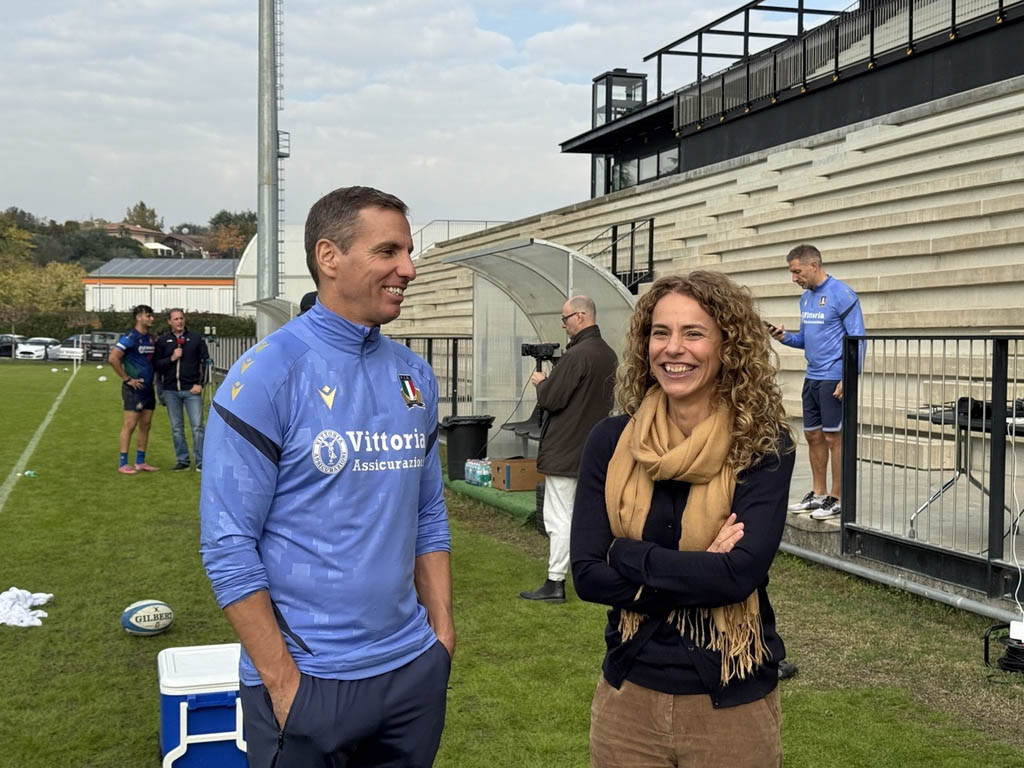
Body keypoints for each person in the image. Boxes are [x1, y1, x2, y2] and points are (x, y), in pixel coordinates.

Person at [200, 186, 453, 768]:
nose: (407, 269)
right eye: (388, 251)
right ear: (329, 257)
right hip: (310, 678)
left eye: (408, 252)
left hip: (412, 669)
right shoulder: (265, 375)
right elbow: (227, 543)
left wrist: (441, 638)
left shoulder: (415, 376)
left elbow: (428, 515)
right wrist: (284, 685)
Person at [571, 271, 795, 767]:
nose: (674, 349)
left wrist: (625, 555)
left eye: (693, 333)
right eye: (660, 332)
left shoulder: (761, 445)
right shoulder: (611, 441)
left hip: (732, 701)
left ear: (727, 346)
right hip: (629, 696)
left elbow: (738, 575)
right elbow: (587, 576)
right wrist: (699, 570)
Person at [519, 295, 618, 604]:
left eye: (565, 319)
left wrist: (540, 382)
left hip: (566, 448)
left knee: (559, 517)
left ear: (579, 317)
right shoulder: (608, 354)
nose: (563, 326)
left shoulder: (578, 355)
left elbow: (551, 399)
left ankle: (555, 581)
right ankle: (590, 572)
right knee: (583, 516)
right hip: (592, 448)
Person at [769, 244, 864, 519]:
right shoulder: (806, 299)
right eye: (791, 272)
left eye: (796, 271)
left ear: (814, 265)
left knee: (834, 437)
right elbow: (806, 339)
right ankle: (818, 493)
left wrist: (850, 375)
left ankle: (838, 497)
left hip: (834, 376)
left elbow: (857, 338)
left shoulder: (841, 294)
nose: (794, 278)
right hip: (812, 377)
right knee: (812, 435)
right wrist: (785, 337)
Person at [153, 308, 209, 472]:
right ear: (170, 322)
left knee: (197, 427)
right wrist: (172, 358)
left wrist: (200, 383)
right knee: (177, 428)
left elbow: (205, 363)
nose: (179, 321)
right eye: (176, 319)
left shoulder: (196, 339)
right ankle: (183, 461)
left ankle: (201, 462)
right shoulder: (162, 341)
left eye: (181, 318)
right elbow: (157, 366)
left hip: (192, 390)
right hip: (171, 391)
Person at [108, 304, 159, 475]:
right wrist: (126, 378)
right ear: (138, 317)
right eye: (148, 315)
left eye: (152, 316)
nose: (151, 318)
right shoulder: (130, 337)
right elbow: (113, 358)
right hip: (134, 389)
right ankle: (123, 463)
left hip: (148, 388)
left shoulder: (151, 339)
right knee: (130, 425)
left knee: (146, 425)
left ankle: (140, 461)